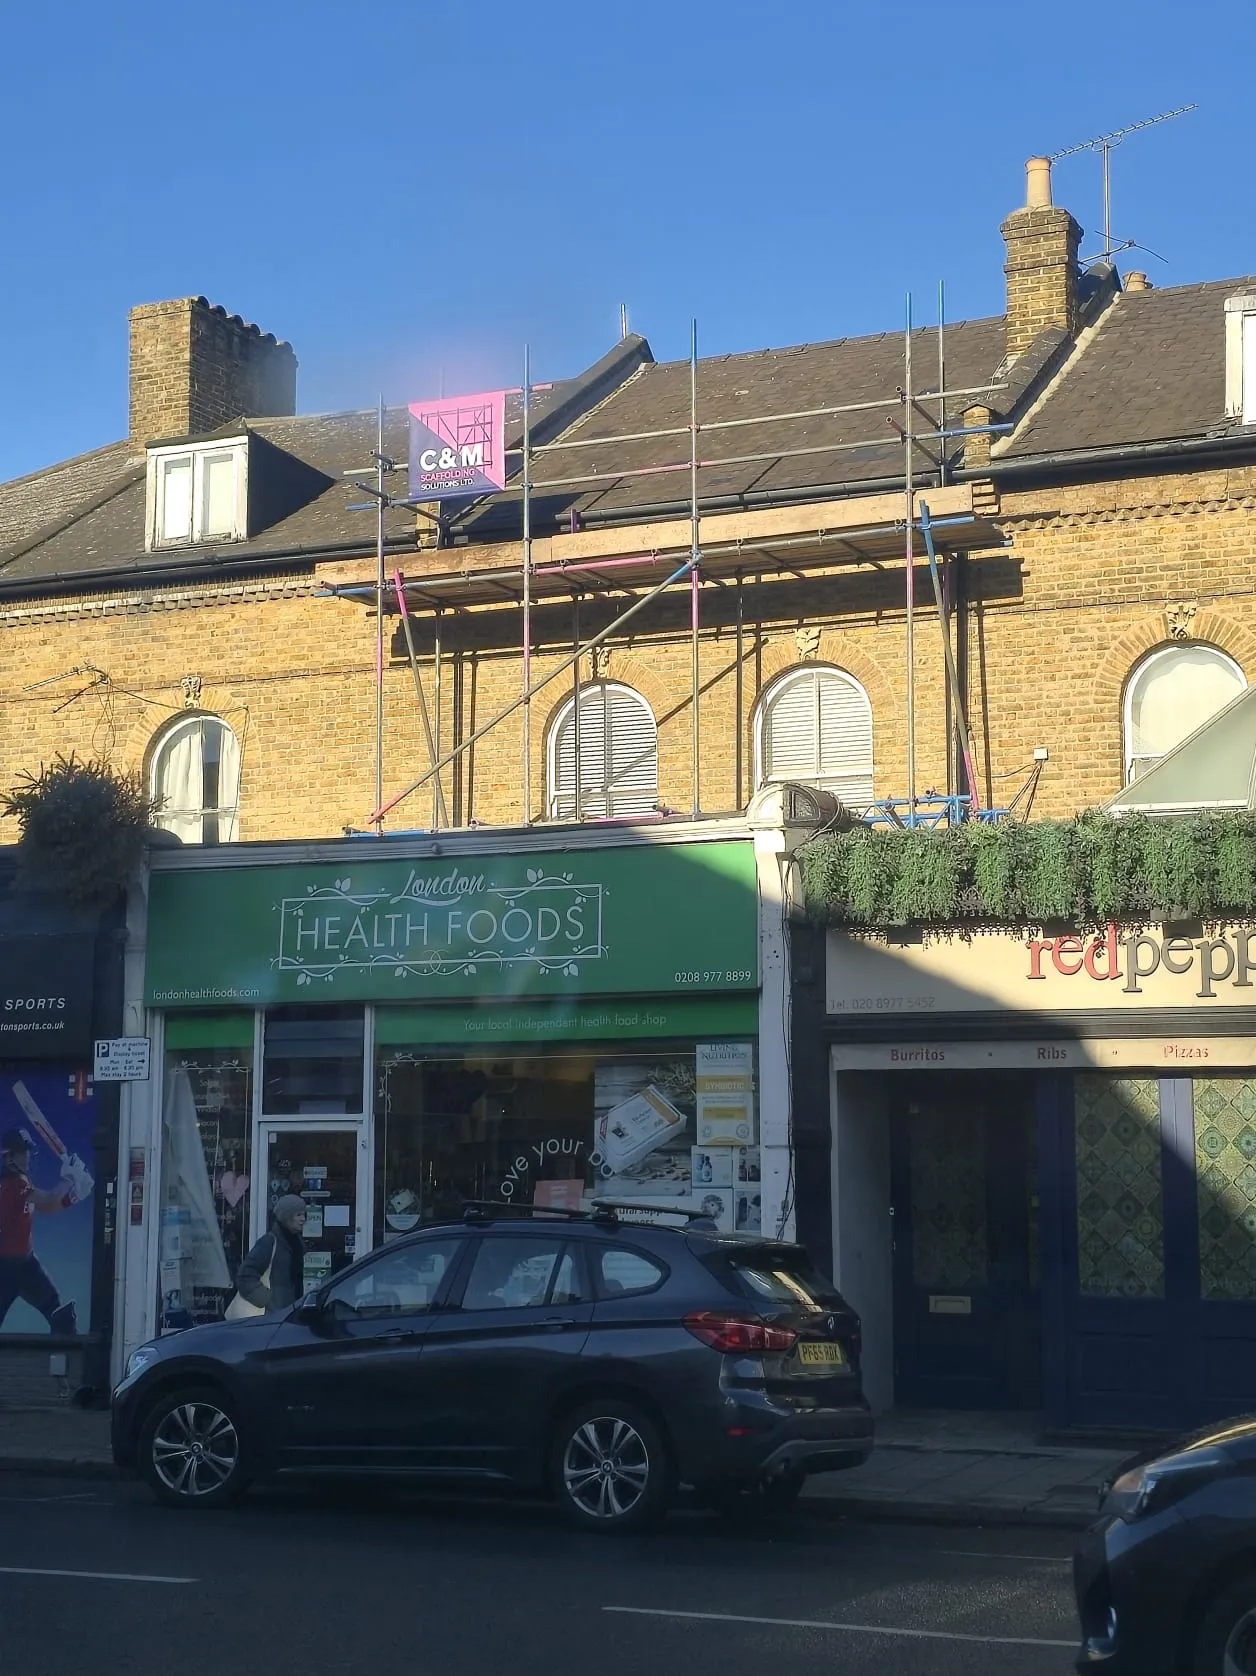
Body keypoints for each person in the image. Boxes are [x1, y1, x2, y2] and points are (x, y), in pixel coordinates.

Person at [0, 1127, 89, 1335]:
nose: (27, 1156)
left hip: (26, 1264)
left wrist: (74, 1196)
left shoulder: (20, 1179)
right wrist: (68, 1179)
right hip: (5, 1268)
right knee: (56, 1312)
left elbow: (45, 1207)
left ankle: (66, 1364)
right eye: (22, 1151)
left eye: (28, 1150)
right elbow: (49, 1198)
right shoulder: (11, 1183)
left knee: (58, 1314)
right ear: (9, 1156)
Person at [235, 1195, 307, 1313]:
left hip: (290, 1313)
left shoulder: (297, 1244)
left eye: (304, 1215)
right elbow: (245, 1276)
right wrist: (268, 1300)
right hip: (273, 1317)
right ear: (286, 1217)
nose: (303, 1219)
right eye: (298, 1215)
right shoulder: (269, 1242)